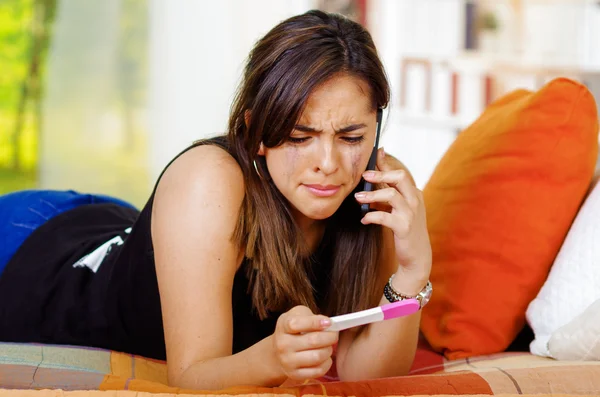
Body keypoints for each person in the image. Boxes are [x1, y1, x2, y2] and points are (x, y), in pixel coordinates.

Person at [0, 9, 432, 390]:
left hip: (123, 231)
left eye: (352, 136)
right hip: (32, 245)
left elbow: (365, 373)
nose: (329, 163)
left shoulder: (381, 188)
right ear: (256, 130)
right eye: (301, 135)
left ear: (375, 125)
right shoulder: (208, 182)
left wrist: (413, 273)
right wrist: (269, 360)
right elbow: (190, 376)